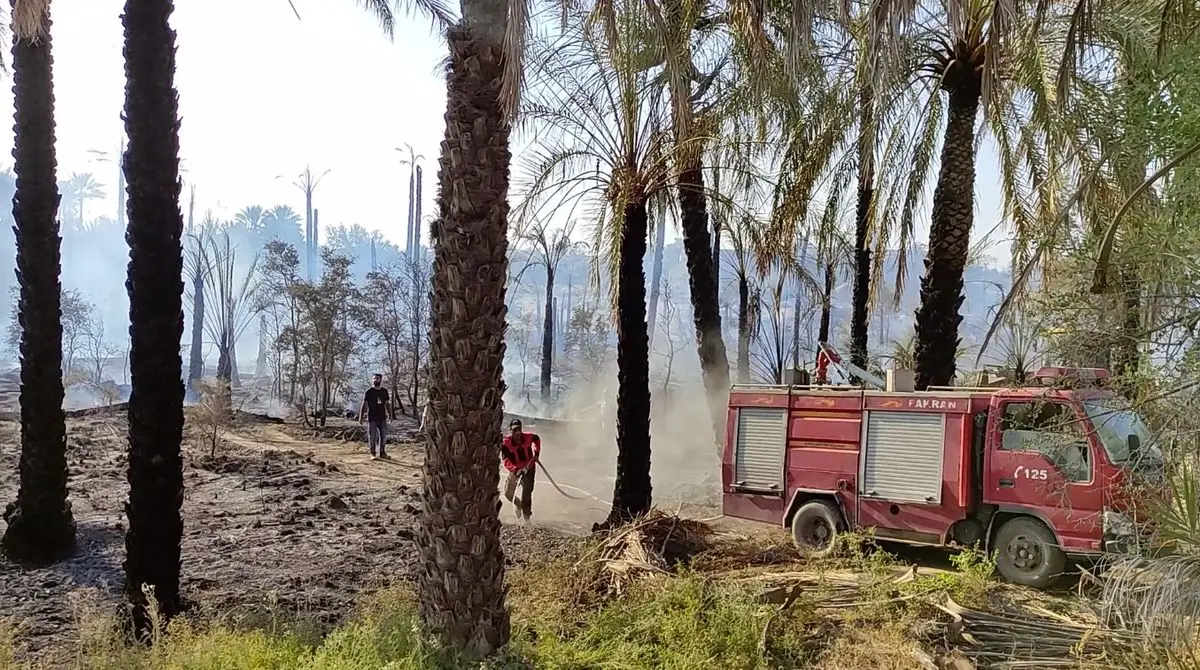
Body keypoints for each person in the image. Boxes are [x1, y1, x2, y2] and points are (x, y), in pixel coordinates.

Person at [501, 418, 541, 521]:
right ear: (511, 431)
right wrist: (515, 470)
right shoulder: (506, 444)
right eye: (515, 430)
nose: (517, 432)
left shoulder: (528, 437)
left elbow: (536, 439)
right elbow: (505, 460)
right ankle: (518, 504)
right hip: (516, 470)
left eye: (519, 429)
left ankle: (527, 517)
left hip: (529, 468)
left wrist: (536, 454)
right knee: (508, 493)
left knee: (526, 494)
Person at [358, 374, 393, 460]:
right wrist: (361, 416)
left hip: (382, 417)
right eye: (374, 378)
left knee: (383, 436)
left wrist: (390, 415)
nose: (375, 380)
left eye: (377, 378)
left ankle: (382, 452)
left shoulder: (384, 391)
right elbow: (364, 404)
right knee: (372, 436)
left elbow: (387, 404)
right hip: (372, 417)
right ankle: (373, 453)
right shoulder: (369, 392)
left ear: (380, 380)